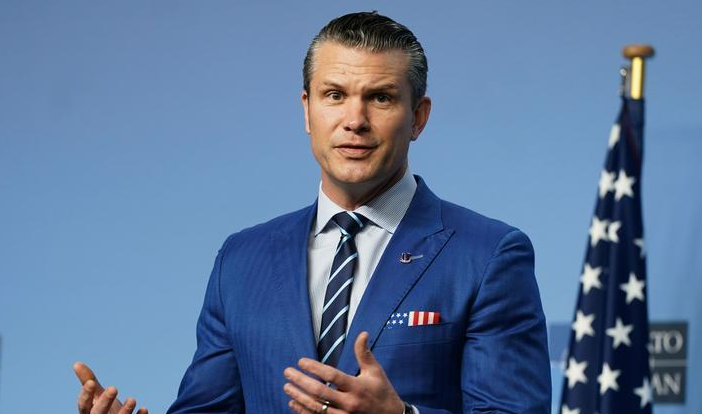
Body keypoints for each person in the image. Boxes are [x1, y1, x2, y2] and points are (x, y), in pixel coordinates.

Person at [74, 11, 551, 414]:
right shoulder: (240, 260)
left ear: (418, 117)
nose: (355, 120)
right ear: (307, 110)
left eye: (380, 97)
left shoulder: (487, 255)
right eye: (335, 95)